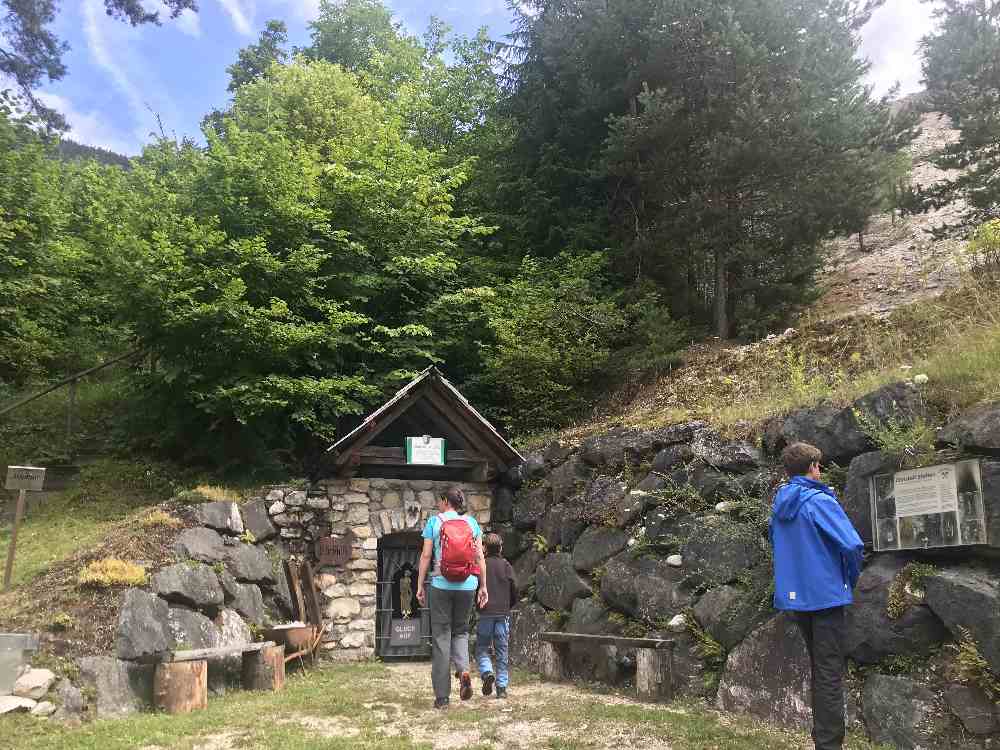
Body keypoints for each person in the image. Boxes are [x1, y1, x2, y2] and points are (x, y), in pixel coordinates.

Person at [770, 442, 865, 750]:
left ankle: (823, 739)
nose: (820, 470)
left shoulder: (780, 505)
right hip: (826, 597)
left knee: (819, 667)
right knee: (829, 673)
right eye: (819, 465)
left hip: (797, 599)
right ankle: (828, 744)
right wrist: (848, 578)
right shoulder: (819, 501)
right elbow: (851, 545)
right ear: (812, 468)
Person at [416, 486, 488, 709]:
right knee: (461, 631)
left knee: (441, 637)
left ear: (446, 501)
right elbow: (479, 557)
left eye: (440, 501)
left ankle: (442, 697)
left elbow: (426, 554)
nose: (439, 505)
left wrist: (419, 584)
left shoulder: (434, 522)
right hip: (467, 585)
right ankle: (464, 671)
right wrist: (483, 586)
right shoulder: (472, 523)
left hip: (440, 585)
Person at [475, 532, 518, 699]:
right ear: (500, 547)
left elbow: (476, 588)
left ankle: (486, 672)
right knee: (502, 650)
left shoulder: (482, 564)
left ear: (484, 547)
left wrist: (478, 606)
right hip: (502, 613)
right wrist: (508, 605)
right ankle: (501, 688)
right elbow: (515, 587)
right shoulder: (506, 565)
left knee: (481, 648)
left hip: (485, 612)